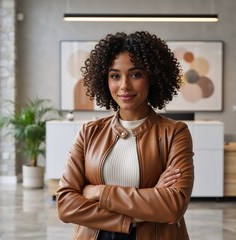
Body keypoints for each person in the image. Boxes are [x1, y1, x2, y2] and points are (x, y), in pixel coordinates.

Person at [57, 31, 194, 240]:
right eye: (115, 76)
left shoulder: (175, 133)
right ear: (105, 80)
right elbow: (66, 204)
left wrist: (98, 192)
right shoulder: (89, 132)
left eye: (135, 74)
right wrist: (143, 208)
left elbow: (173, 206)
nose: (124, 86)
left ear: (153, 77)